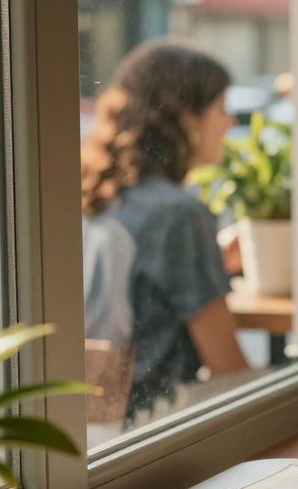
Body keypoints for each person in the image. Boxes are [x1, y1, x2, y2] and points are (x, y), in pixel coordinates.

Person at [81, 39, 250, 419]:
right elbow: (229, 367)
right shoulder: (179, 215)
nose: (231, 123)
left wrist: (212, 260)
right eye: (221, 108)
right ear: (187, 118)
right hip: (156, 426)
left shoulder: (98, 196)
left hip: (97, 424)